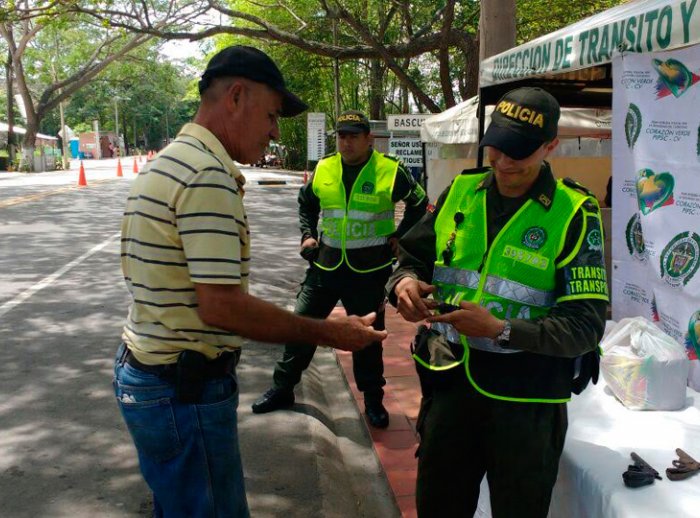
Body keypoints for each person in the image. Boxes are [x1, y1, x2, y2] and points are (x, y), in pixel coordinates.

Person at [114, 45, 387, 518]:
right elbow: (222, 308)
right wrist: (330, 332)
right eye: (272, 115)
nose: (275, 131)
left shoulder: (174, 161)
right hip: (185, 392)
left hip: (155, 378)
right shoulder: (206, 175)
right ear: (236, 97)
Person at [387, 87, 608, 517]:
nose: (504, 162)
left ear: (550, 146)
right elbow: (413, 257)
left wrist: (501, 330)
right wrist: (404, 284)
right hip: (450, 384)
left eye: (519, 152)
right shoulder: (461, 192)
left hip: (527, 402)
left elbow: (585, 325)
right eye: (497, 148)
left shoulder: (574, 211)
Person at [252, 110, 428, 428]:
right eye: (341, 136)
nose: (346, 142)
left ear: (368, 139)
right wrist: (307, 234)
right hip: (325, 267)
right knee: (301, 326)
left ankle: (373, 401)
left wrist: (401, 237)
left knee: (367, 339)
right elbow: (307, 202)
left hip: (369, 272)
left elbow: (420, 202)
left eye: (353, 136)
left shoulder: (391, 170)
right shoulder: (325, 167)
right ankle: (282, 388)